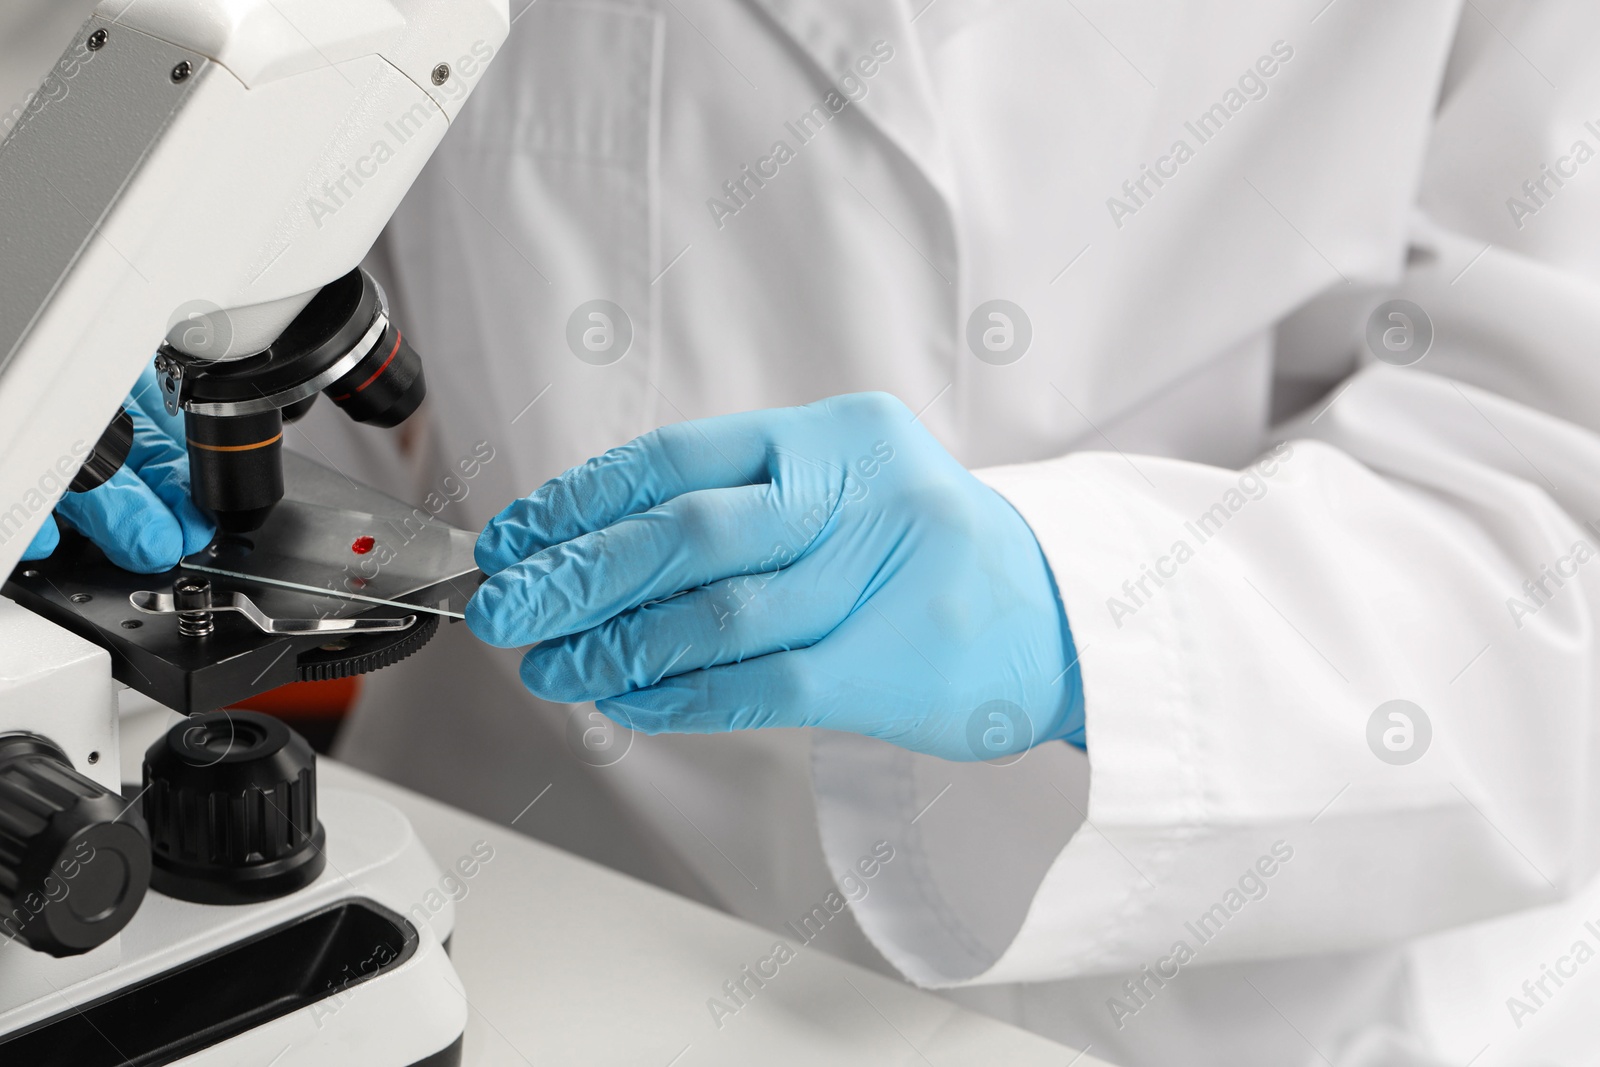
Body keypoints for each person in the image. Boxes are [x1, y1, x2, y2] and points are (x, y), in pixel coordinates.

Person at [28, 1, 1600, 1062]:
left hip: (1189, 981)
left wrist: (1067, 621)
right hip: (525, 873)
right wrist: (91, 323)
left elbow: (1557, 509)